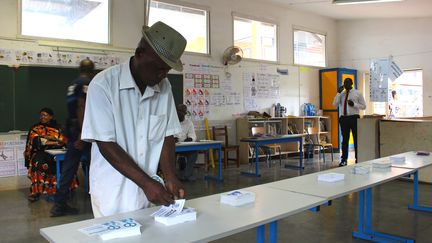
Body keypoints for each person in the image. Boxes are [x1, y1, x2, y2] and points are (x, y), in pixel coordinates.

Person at [80, 21, 187, 217]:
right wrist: (146, 183)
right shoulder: (103, 85)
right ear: (139, 54)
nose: (163, 75)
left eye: (167, 71)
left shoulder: (164, 88)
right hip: (112, 192)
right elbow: (106, 143)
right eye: (158, 68)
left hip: (151, 191)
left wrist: (170, 176)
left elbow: (167, 135)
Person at [50, 59, 95, 217]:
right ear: (92, 70)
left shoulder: (72, 84)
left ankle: (59, 204)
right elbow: (82, 107)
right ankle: (100, 200)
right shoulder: (86, 84)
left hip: (72, 130)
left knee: (69, 169)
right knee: (97, 166)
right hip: (83, 132)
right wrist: (83, 135)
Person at [24, 108, 77, 202]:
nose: (42, 117)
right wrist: (53, 141)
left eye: (45, 115)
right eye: (41, 115)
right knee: (37, 163)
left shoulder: (58, 128)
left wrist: (53, 140)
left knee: (65, 163)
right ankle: (35, 192)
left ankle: (64, 190)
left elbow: (65, 140)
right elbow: (36, 141)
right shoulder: (35, 128)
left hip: (58, 151)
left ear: (51, 117)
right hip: (41, 152)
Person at [333, 78, 366, 167]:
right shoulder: (341, 94)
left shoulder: (357, 93)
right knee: (344, 140)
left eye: (348, 83)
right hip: (343, 119)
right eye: (344, 83)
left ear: (352, 83)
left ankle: (358, 159)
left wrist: (354, 105)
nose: (346, 84)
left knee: (356, 139)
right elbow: (335, 104)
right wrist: (338, 93)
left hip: (354, 118)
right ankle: (344, 160)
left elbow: (364, 106)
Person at [174, 104, 198, 182]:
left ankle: (187, 174)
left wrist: (190, 138)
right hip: (173, 147)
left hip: (184, 146)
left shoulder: (189, 122)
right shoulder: (171, 121)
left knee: (193, 152)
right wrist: (171, 139)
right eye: (178, 113)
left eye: (182, 113)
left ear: (185, 113)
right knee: (170, 154)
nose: (180, 115)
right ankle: (173, 176)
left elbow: (192, 134)